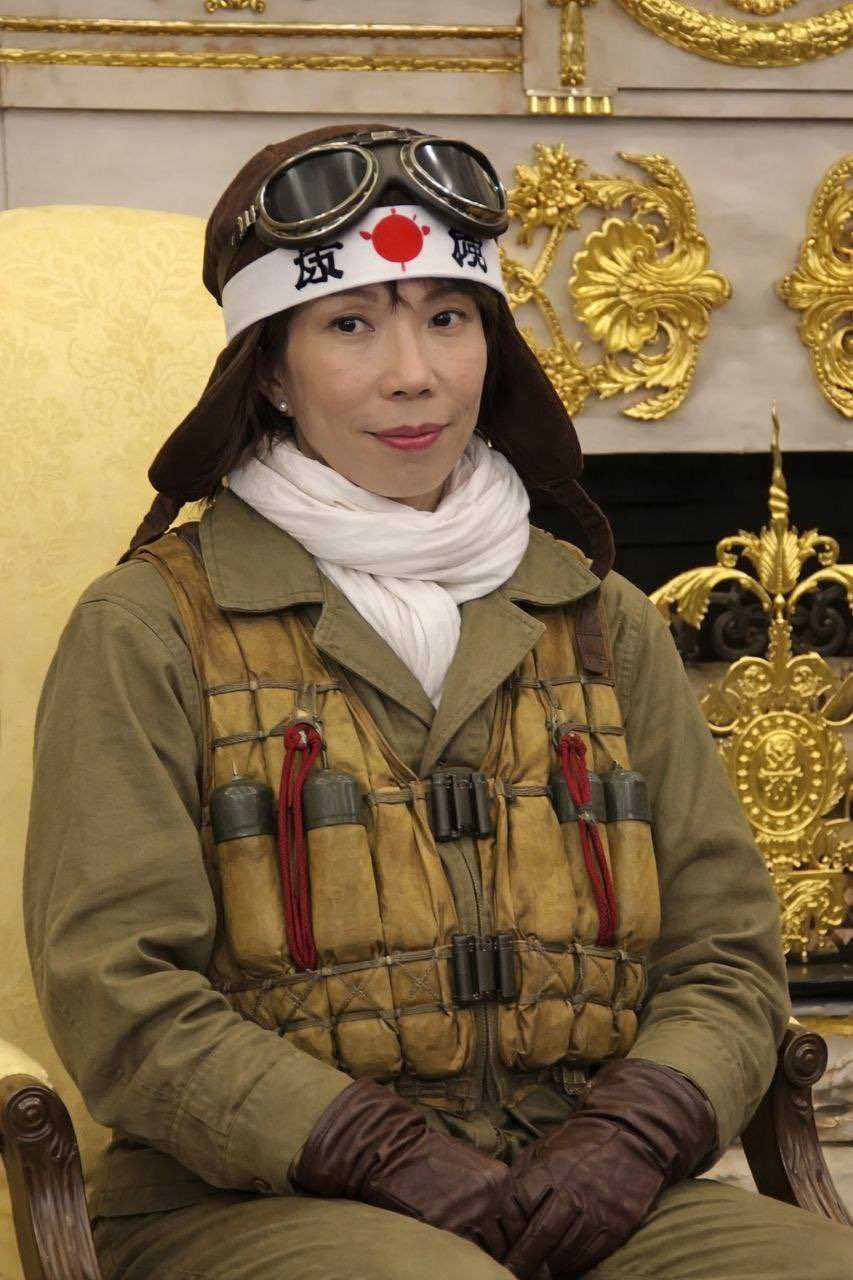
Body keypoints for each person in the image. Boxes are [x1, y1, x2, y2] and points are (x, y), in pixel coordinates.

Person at [23, 123, 851, 1280]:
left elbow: (724, 952)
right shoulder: (148, 626)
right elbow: (119, 992)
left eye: (447, 317)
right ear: (271, 370)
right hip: (250, 1198)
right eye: (350, 324)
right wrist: (376, 1146)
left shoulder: (599, 616)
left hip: (591, 1186)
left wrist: (633, 1132)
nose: (413, 372)